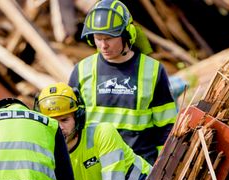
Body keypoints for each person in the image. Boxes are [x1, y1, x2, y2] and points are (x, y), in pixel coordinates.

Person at [69, 0, 177, 166]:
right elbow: (72, 123)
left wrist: (166, 166)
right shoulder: (82, 70)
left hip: (141, 167)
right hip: (96, 166)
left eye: (109, 38)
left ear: (127, 34)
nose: (103, 45)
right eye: (98, 38)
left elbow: (167, 126)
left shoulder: (152, 70)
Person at [35, 82, 151, 180]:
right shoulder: (46, 149)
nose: (59, 128)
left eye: (64, 120)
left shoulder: (102, 132)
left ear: (78, 117)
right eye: (52, 122)